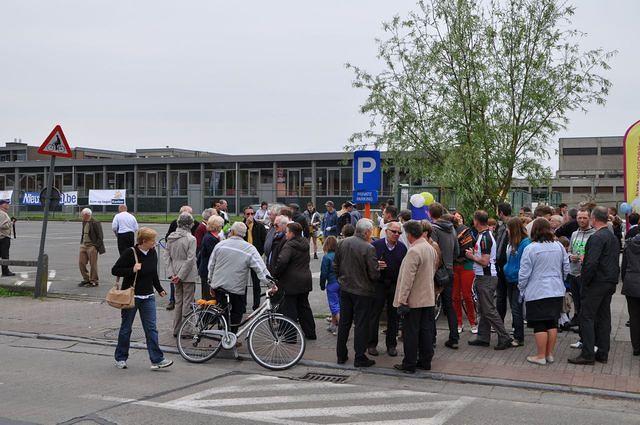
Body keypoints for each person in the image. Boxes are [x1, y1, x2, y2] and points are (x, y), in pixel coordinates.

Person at [112, 227, 172, 370]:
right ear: (144, 241)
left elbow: (153, 273)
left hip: (148, 296)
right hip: (132, 296)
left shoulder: (152, 253)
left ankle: (157, 359)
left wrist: (159, 289)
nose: (155, 243)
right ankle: (120, 358)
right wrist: (131, 270)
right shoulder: (130, 253)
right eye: (152, 240)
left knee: (151, 329)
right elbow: (115, 270)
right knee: (126, 328)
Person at [569, 206, 620, 365]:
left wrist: (585, 280)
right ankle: (602, 352)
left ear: (594, 219)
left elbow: (591, 263)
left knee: (587, 316)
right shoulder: (611, 236)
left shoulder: (597, 237)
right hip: (609, 281)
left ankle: (588, 353)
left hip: (597, 282)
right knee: (604, 317)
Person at [519, 218, 570, 365]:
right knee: (552, 322)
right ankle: (549, 354)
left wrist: (522, 288)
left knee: (539, 323)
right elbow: (566, 266)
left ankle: (540, 355)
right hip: (556, 289)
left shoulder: (531, 248)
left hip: (537, 290)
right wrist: (561, 280)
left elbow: (524, 273)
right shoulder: (558, 246)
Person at [392, 220, 438, 373]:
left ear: (410, 235)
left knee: (411, 333)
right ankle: (425, 361)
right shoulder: (429, 248)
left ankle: (409, 363)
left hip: (414, 300)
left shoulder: (414, 251)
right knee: (426, 331)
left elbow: (407, 279)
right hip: (428, 297)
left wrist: (402, 300)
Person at [334, 218, 380, 367]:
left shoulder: (342, 243)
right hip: (362, 291)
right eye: (371, 230)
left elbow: (336, 265)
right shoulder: (369, 248)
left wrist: (341, 278)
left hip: (345, 287)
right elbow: (374, 274)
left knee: (344, 323)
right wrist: (378, 269)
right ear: (367, 232)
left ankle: (341, 355)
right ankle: (359, 357)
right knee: (361, 324)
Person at [209, 222, 269, 333]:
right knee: (237, 312)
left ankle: (224, 334)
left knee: (222, 311)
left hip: (219, 285)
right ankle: (232, 335)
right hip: (236, 287)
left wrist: (210, 282)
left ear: (232, 232)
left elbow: (211, 265)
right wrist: (270, 284)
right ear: (244, 234)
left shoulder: (220, 245)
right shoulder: (249, 248)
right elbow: (261, 269)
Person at [466, 210, 513, 350]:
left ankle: (504, 337)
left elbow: (485, 261)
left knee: (488, 309)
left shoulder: (485, 237)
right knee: (483, 308)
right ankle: (483, 336)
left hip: (486, 277)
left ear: (476, 221)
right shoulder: (484, 235)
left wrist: (471, 256)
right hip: (485, 276)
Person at [368, 221, 407, 357]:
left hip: (395, 285)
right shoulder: (375, 246)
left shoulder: (402, 248)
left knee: (394, 316)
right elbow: (367, 264)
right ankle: (371, 344)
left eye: (399, 232)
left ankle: (391, 345)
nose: (396, 234)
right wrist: (375, 265)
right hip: (378, 284)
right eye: (394, 231)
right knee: (374, 314)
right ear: (386, 231)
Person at [273, 222, 317, 339]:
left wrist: (276, 274)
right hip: (305, 280)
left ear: (291, 233)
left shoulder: (289, 245)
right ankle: (311, 333)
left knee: (289, 309)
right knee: (304, 307)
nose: (286, 234)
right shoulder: (305, 243)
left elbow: (282, 261)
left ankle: (290, 336)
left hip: (291, 282)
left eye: (287, 232)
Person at [429, 202, 460, 349]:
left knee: (431, 304)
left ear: (430, 214)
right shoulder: (452, 229)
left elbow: (433, 251)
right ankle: (454, 338)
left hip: (437, 272)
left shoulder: (433, 229)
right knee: (449, 306)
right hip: (450, 271)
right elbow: (457, 252)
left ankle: (432, 338)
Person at [165, 213, 198, 337]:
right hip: (187, 274)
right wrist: (180, 275)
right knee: (188, 301)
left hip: (175, 271)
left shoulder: (171, 237)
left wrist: (172, 274)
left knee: (178, 301)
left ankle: (176, 328)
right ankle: (186, 330)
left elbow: (166, 256)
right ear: (190, 224)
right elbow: (190, 259)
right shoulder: (191, 239)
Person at [502, 217, 531, 346]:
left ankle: (519, 337)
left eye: (508, 228)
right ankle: (516, 332)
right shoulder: (511, 242)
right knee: (514, 308)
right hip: (510, 278)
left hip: (518, 280)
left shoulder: (525, 243)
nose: (506, 231)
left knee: (516, 308)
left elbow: (524, 263)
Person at [566, 209, 595, 333]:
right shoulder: (574, 234)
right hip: (573, 272)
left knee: (586, 305)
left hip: (585, 274)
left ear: (589, 218)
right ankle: (581, 329)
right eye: (579, 218)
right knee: (576, 304)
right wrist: (570, 255)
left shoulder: (594, 234)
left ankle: (587, 332)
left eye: (584, 218)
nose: (582, 220)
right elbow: (569, 250)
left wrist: (585, 258)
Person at [452, 213, 477, 334]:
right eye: (456, 218)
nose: (458, 219)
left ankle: (473, 322)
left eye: (460, 217)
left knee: (467, 295)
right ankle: (459, 322)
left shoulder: (468, 232)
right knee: (455, 296)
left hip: (467, 265)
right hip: (455, 266)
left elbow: (473, 246)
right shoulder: (450, 232)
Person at [243, 206, 267, 310]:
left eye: (252, 214)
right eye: (248, 214)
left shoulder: (259, 226)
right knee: (242, 282)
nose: (250, 216)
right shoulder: (241, 226)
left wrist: (258, 254)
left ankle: (256, 305)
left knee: (256, 282)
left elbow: (264, 242)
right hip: (243, 257)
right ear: (244, 215)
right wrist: (246, 226)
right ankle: (242, 305)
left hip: (254, 256)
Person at [622, 232, 640, 356]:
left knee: (634, 317)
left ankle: (636, 347)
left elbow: (623, 266)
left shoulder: (629, 244)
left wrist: (625, 280)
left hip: (631, 283)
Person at [197, 215, 224, 301]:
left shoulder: (213, 236)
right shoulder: (209, 238)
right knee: (208, 298)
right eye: (221, 225)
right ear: (217, 226)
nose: (222, 227)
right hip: (207, 271)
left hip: (211, 271)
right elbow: (214, 255)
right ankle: (207, 314)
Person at [78, 208, 105, 287]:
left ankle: (94, 280)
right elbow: (84, 233)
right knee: (81, 263)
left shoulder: (95, 222)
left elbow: (100, 236)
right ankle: (86, 279)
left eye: (82, 215)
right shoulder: (84, 222)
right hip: (84, 245)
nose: (81, 216)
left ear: (87, 215)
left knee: (93, 264)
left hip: (92, 246)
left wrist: (95, 246)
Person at [495, 202, 512, 322]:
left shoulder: (508, 227)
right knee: (502, 296)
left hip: (506, 265)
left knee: (505, 296)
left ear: (500, 212)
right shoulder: (501, 226)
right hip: (503, 265)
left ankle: (502, 323)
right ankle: (500, 323)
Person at [320, 236, 340, 335]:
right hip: (341, 282)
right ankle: (333, 324)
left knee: (334, 306)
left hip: (332, 283)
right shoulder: (339, 255)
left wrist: (322, 285)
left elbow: (324, 273)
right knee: (339, 304)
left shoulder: (327, 257)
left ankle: (341, 329)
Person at [0, 200, 14, 276]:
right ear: (2, 205)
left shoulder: (3, 213)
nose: (8, 205)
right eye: (6, 203)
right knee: (5, 255)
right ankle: (5, 271)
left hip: (3, 237)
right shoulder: (2, 214)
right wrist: (10, 223)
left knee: (4, 255)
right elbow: (2, 225)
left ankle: (5, 270)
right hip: (3, 238)